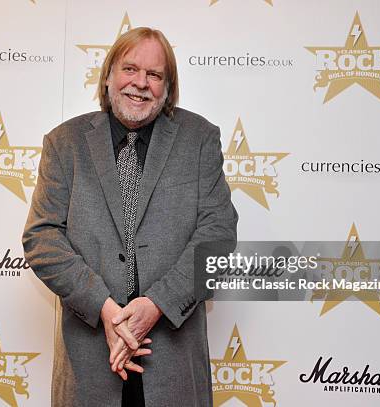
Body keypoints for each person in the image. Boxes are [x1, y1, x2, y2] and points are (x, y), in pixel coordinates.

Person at [23, 27, 237, 406]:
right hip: (91, 366)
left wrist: (155, 304)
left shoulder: (200, 139)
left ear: (168, 87)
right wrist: (106, 308)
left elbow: (218, 235)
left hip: (173, 367)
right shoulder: (64, 143)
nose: (140, 84)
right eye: (130, 69)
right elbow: (42, 238)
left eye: (154, 75)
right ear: (108, 76)